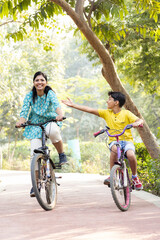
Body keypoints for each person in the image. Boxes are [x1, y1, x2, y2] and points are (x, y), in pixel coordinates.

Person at [62, 91, 143, 190]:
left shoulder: (126, 113)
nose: (107, 101)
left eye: (109, 99)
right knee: (114, 149)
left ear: (116, 102)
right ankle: (112, 176)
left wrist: (137, 123)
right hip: (114, 140)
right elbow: (89, 109)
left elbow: (139, 120)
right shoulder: (106, 113)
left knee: (130, 155)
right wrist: (73, 105)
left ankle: (135, 177)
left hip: (127, 141)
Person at [16, 71, 67, 197]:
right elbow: (24, 111)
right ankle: (36, 184)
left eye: (42, 80)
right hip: (35, 125)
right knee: (34, 154)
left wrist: (60, 115)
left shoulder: (50, 93)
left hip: (50, 120)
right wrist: (21, 121)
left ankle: (61, 154)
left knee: (54, 131)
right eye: (37, 80)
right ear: (34, 82)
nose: (39, 82)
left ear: (46, 82)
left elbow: (56, 105)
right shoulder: (29, 95)